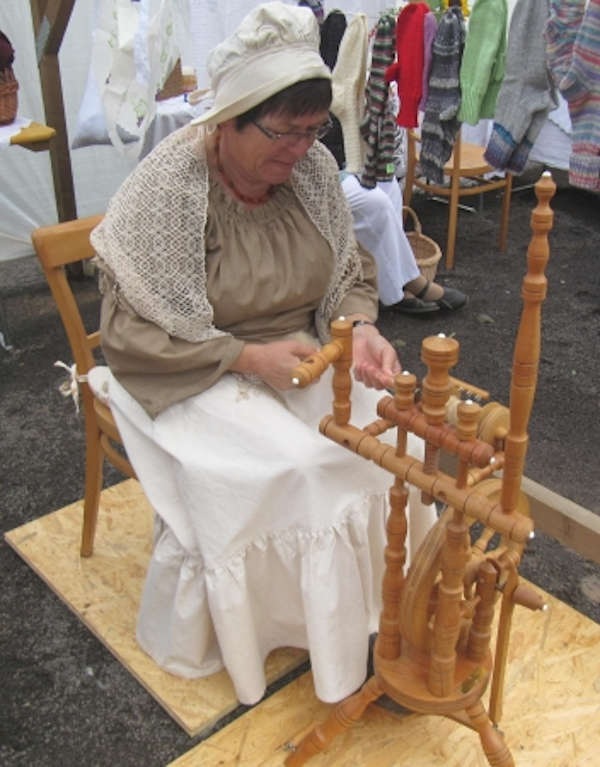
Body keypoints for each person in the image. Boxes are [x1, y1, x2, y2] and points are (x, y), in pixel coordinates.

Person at [91, 2, 436, 707]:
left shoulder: (307, 173)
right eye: (284, 133)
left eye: (314, 131)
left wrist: (360, 326)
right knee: (302, 465)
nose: (302, 150)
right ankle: (316, 634)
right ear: (232, 119)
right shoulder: (172, 188)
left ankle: (383, 603)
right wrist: (248, 359)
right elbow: (131, 336)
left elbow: (346, 273)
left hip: (301, 349)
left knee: (392, 430)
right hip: (190, 363)